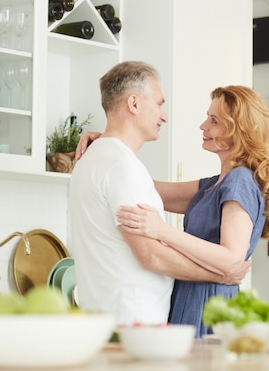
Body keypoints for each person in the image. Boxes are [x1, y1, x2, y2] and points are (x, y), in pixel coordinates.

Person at [78, 85, 269, 337]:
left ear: (239, 131)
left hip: (208, 303)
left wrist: (163, 231)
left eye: (214, 121)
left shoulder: (240, 181)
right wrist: (110, 144)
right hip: (191, 297)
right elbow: (146, 186)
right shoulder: (215, 184)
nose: (203, 126)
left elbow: (232, 258)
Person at [67, 61, 249, 330]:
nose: (164, 116)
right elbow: (152, 255)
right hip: (135, 323)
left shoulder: (98, 160)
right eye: (159, 104)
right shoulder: (121, 166)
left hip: (110, 319)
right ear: (134, 103)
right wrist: (221, 275)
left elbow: (188, 193)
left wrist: (104, 139)